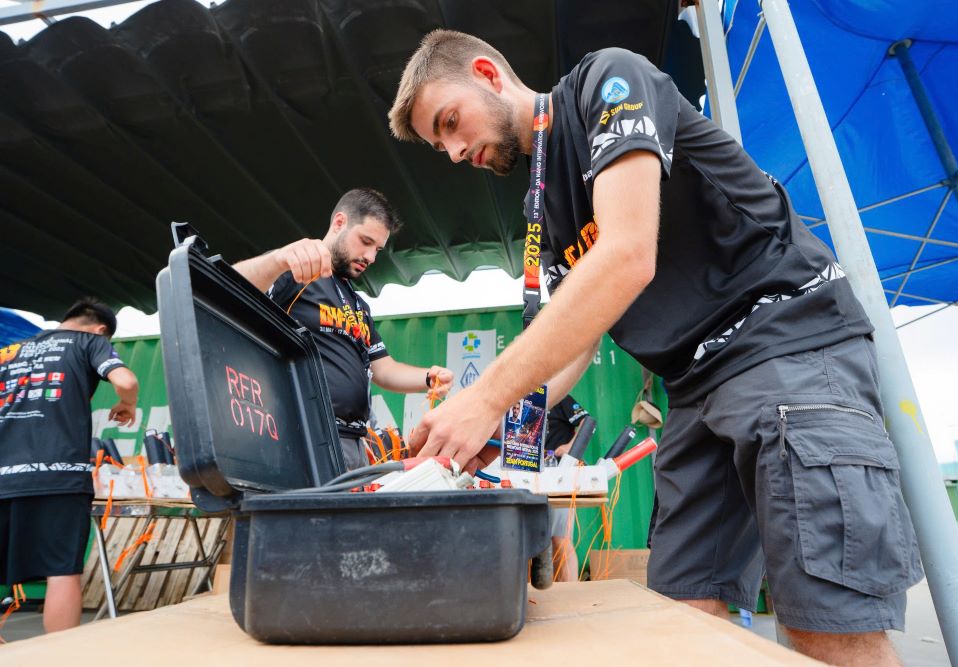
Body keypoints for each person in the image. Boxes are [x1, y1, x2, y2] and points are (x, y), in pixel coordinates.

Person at [388, 31, 922, 665]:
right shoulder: (546, 203)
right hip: (693, 392)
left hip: (783, 344)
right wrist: (499, 427)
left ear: (487, 73)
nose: (453, 152)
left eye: (450, 122)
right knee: (681, 622)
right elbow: (576, 337)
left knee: (827, 628)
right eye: (439, 145)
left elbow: (626, 254)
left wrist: (481, 399)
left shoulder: (605, 82)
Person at [233, 188, 453, 469]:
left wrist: (428, 377)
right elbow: (230, 287)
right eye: (366, 241)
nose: (371, 257)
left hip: (355, 442)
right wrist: (277, 259)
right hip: (307, 434)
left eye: (377, 249)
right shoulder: (297, 270)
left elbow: (384, 369)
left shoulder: (359, 305)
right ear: (339, 223)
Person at [0, 298, 138, 633]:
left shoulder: (11, 351)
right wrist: (127, 403)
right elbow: (126, 382)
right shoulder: (89, 341)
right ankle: (60, 654)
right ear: (100, 329)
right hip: (58, 473)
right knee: (61, 570)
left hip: (3, 474)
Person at [544, 394, 589, 582]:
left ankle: (571, 592)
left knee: (560, 538)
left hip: (560, 473)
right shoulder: (519, 401)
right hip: (528, 475)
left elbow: (587, 422)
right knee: (534, 541)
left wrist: (571, 447)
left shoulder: (558, 396)